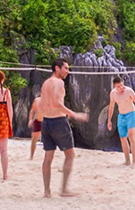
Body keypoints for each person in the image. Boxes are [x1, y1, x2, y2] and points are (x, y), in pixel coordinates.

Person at [40, 58, 89, 198]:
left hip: (46, 122)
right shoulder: (59, 82)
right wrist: (74, 114)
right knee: (70, 155)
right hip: (59, 122)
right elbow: (56, 103)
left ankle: (47, 191)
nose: (68, 71)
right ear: (57, 68)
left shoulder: (45, 83)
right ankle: (64, 190)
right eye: (66, 68)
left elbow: (43, 104)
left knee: (48, 157)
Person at [107, 77, 135, 167]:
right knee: (123, 138)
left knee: (131, 136)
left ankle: (134, 162)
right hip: (121, 115)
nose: (121, 87)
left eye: (122, 85)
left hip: (131, 114)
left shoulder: (129, 91)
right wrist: (109, 120)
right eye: (119, 86)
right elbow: (111, 107)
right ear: (115, 86)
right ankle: (127, 161)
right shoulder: (113, 94)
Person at [28, 95, 43, 160]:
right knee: (34, 139)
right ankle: (31, 156)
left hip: (48, 121)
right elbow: (32, 110)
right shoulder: (37, 100)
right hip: (38, 121)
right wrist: (30, 120)